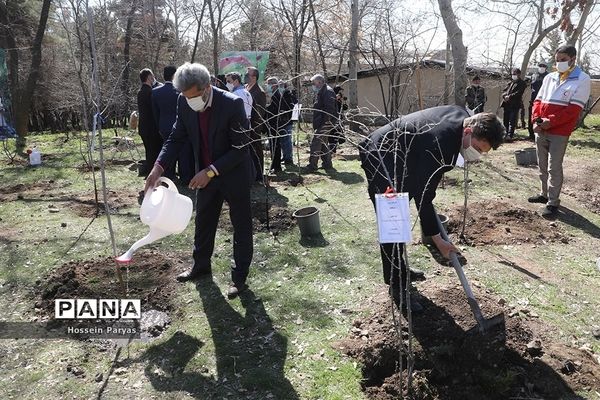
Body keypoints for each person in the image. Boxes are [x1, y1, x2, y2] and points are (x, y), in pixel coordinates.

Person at [359, 106, 505, 312]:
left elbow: (423, 190)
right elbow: (424, 196)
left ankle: (401, 269)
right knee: (393, 219)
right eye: (478, 149)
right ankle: (397, 285)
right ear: (468, 132)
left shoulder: (464, 119)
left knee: (402, 210)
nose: (477, 155)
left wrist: (438, 239)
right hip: (381, 155)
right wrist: (438, 241)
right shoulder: (441, 144)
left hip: (406, 156)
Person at [144, 62, 253, 299]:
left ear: (206, 88)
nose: (189, 101)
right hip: (204, 174)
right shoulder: (184, 102)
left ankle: (239, 277)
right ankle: (200, 265)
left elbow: (241, 148)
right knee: (204, 221)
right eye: (184, 96)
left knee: (241, 224)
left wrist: (211, 171)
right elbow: (176, 137)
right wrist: (158, 167)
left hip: (234, 173)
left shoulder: (232, 104)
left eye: (193, 95)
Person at [529, 45, 590, 218]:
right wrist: (536, 121)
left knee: (553, 167)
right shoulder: (549, 77)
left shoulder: (582, 79)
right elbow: (538, 101)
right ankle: (544, 194)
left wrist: (551, 122)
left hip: (559, 132)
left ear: (573, 59)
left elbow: (573, 110)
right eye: (557, 60)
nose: (559, 63)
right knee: (541, 164)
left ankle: (553, 202)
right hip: (541, 129)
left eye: (563, 60)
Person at [152, 65, 194, 185]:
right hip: (182, 126)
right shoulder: (181, 91)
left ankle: (169, 175)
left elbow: (155, 113)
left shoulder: (155, 92)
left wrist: (159, 126)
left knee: (167, 150)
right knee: (184, 152)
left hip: (164, 125)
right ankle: (185, 176)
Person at [265, 77, 296, 172]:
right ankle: (274, 165)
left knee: (276, 146)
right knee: (274, 145)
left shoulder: (277, 95)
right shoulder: (273, 95)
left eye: (269, 84)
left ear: (274, 85)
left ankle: (277, 166)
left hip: (275, 124)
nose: (267, 86)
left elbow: (276, 110)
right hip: (273, 124)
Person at [306, 74, 337, 172]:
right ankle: (327, 164)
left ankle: (312, 165)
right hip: (323, 121)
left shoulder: (328, 92)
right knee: (323, 143)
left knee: (316, 142)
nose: (313, 86)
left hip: (326, 122)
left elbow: (329, 109)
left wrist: (325, 123)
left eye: (314, 83)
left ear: (319, 82)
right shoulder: (322, 91)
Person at [137, 68, 164, 176]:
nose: (154, 78)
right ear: (148, 77)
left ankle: (149, 172)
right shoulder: (151, 93)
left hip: (143, 127)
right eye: (152, 76)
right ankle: (153, 174)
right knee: (154, 153)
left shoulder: (140, 92)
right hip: (152, 128)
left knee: (149, 152)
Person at [245, 66, 267, 182]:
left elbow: (259, 113)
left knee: (256, 150)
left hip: (254, 127)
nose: (245, 76)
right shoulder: (246, 88)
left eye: (247, 75)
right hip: (246, 126)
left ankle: (259, 175)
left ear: (254, 77)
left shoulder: (259, 92)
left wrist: (254, 128)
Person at [500, 68, 527, 140]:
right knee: (505, 119)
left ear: (519, 74)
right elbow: (504, 91)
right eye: (513, 74)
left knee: (512, 120)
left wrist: (510, 96)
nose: (513, 75)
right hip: (507, 104)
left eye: (515, 73)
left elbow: (519, 93)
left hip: (515, 104)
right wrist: (505, 96)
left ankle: (510, 135)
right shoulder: (510, 82)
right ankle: (505, 133)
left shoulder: (522, 83)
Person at [527, 62, 549, 141]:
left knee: (541, 117)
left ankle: (540, 134)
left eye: (543, 66)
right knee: (532, 116)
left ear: (546, 67)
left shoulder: (548, 76)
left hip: (544, 100)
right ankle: (531, 134)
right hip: (533, 99)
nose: (542, 67)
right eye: (540, 66)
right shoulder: (533, 75)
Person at [279, 81, 298, 166]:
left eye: (281, 85)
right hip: (282, 121)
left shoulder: (289, 95)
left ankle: (289, 158)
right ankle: (285, 156)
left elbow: (293, 106)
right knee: (283, 140)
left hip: (287, 120)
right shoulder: (282, 95)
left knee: (287, 140)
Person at [330, 85, 348, 153]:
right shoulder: (332, 97)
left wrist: (343, 100)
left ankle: (333, 150)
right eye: (340, 91)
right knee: (333, 135)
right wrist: (336, 98)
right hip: (333, 119)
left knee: (337, 135)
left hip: (339, 119)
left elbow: (345, 107)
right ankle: (332, 151)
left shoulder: (340, 99)